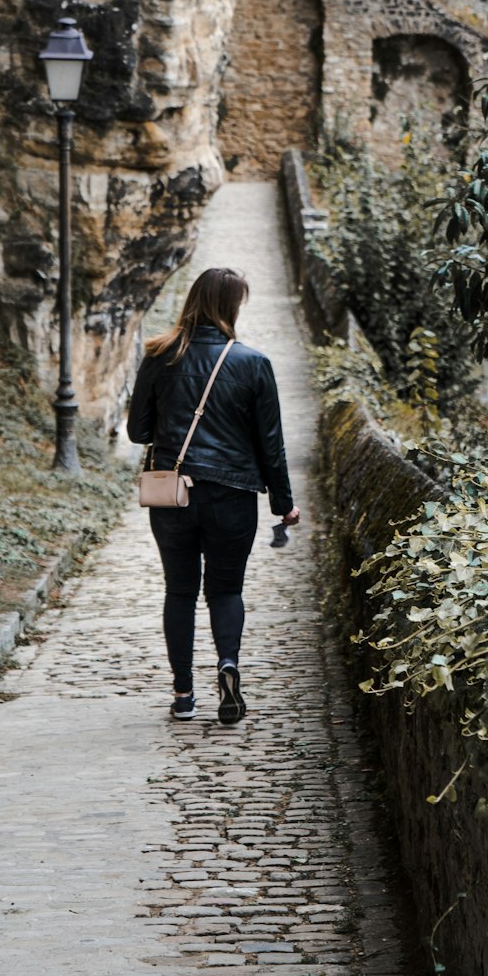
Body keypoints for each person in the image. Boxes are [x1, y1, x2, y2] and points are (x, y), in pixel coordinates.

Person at [127, 267, 300, 725]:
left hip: (173, 497)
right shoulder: (253, 363)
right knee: (226, 589)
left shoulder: (159, 356)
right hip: (234, 495)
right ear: (232, 307)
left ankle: (183, 695)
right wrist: (283, 504)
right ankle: (228, 664)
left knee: (179, 591)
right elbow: (271, 444)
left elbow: (136, 431)